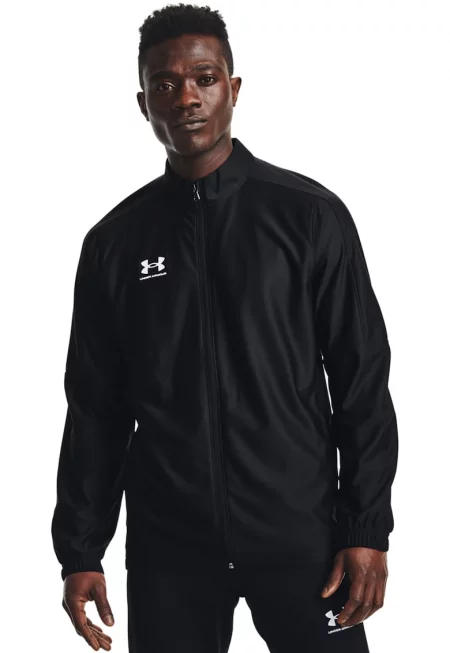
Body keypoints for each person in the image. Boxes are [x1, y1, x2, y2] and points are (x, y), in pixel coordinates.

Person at [51, 4, 398, 652]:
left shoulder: (308, 217)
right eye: (165, 83)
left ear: (233, 89)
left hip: (302, 536)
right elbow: (95, 408)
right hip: (170, 549)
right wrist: (80, 548)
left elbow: (361, 383)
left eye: (204, 78)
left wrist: (366, 527)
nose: (186, 97)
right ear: (143, 103)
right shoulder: (115, 244)